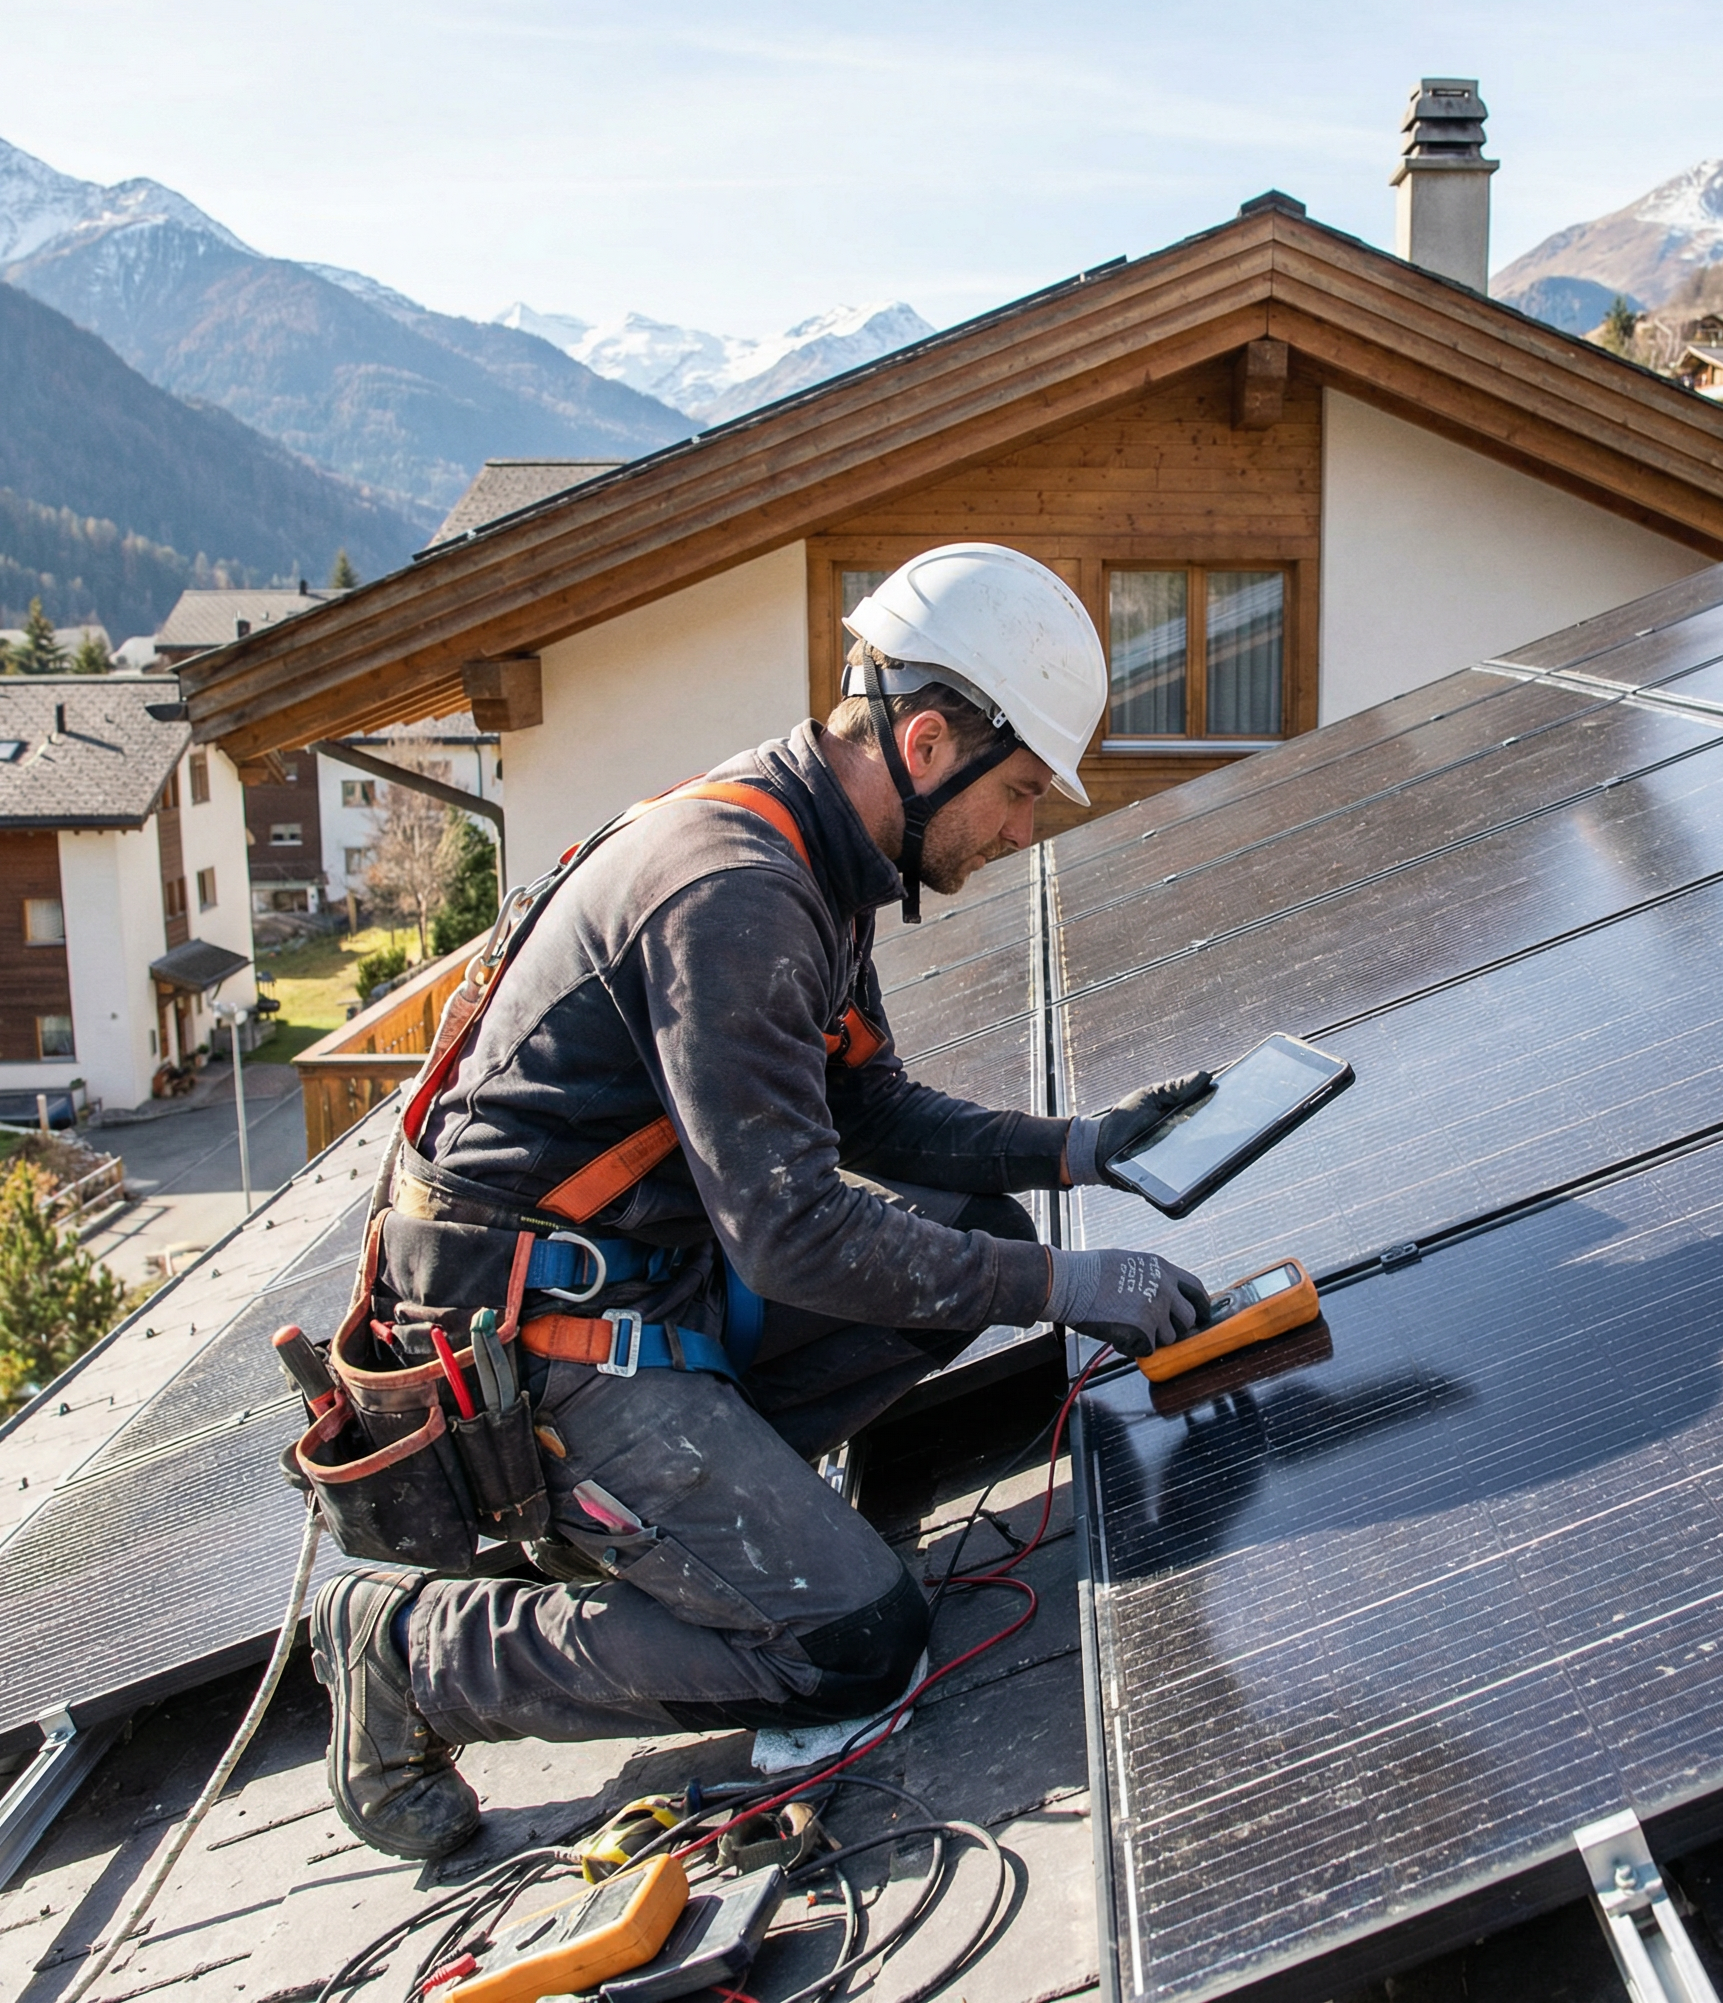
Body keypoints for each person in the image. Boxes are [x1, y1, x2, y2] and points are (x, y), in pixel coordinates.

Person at [310, 543, 1217, 1859]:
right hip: (537, 1351)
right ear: (923, 743)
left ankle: (713, 1514)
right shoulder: (737, 892)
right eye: (1018, 793)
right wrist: (1075, 1292)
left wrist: (1076, 1149)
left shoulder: (809, 849)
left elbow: (873, 1113)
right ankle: (414, 1653)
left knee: (976, 1239)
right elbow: (794, 1232)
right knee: (854, 1637)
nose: (1021, 831)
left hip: (644, 1284)